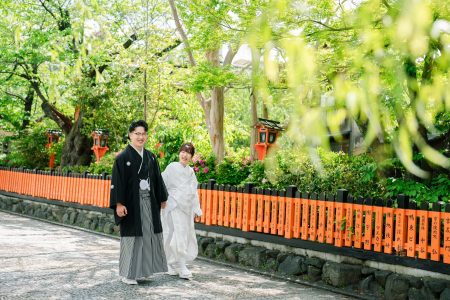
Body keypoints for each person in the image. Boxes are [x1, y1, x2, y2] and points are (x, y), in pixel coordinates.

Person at [109, 120, 168, 285]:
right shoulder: (122, 158)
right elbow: (117, 182)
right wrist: (119, 204)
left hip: (149, 201)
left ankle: (145, 271)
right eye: (137, 134)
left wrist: (162, 198)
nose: (140, 137)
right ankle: (128, 273)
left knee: (149, 235)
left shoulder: (150, 156)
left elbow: (157, 179)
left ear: (146, 136)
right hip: (132, 203)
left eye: (143, 134)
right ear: (130, 135)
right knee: (132, 237)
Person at [161, 142, 202, 280]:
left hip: (186, 207)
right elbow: (162, 184)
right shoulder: (172, 167)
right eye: (183, 151)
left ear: (191, 156)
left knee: (184, 234)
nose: (185, 155)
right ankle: (177, 264)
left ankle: (174, 263)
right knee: (173, 233)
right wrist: (162, 200)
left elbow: (194, 191)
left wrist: (197, 208)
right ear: (179, 153)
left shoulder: (190, 171)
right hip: (173, 205)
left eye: (188, 153)